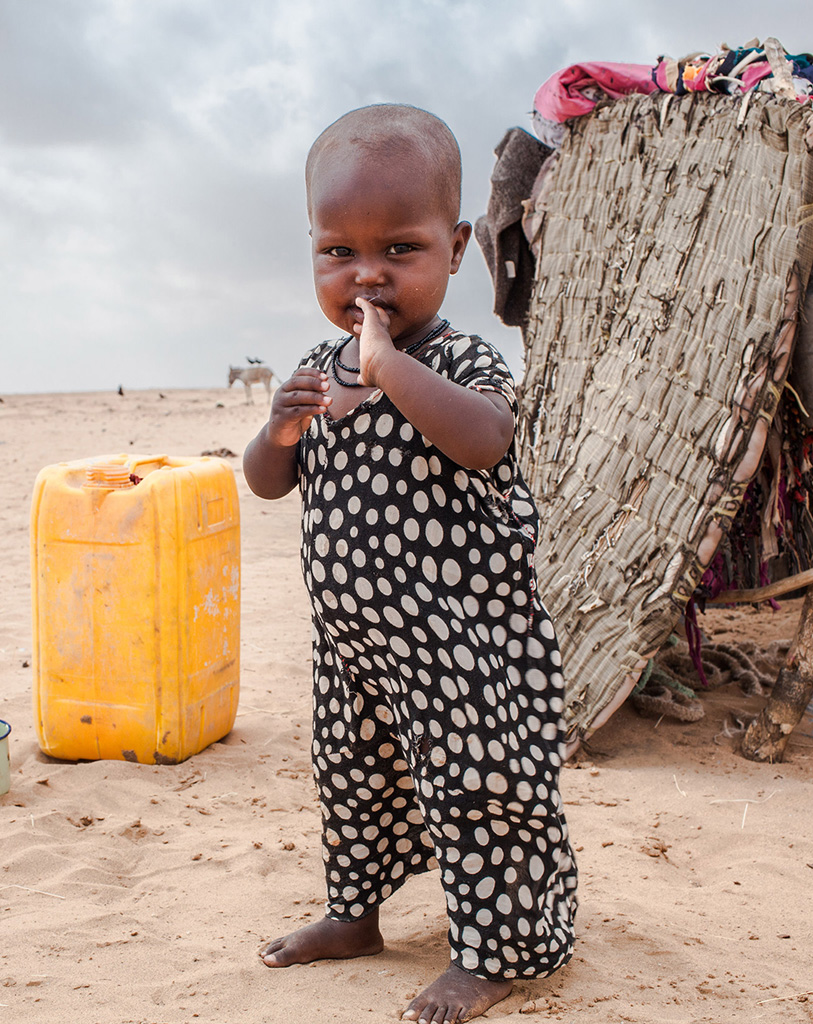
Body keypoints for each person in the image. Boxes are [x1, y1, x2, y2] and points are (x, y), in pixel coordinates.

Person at [243, 103, 577, 1024]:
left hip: (460, 644)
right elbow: (268, 483)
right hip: (356, 647)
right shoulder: (319, 369)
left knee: (480, 785)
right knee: (354, 779)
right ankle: (356, 915)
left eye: (399, 248)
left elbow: (487, 441)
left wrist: (389, 368)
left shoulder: (460, 359)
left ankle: (499, 951)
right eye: (337, 252)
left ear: (459, 246)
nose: (367, 275)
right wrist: (279, 425)